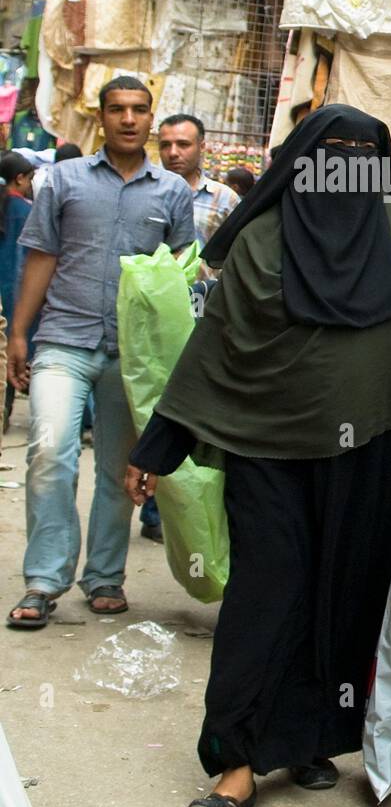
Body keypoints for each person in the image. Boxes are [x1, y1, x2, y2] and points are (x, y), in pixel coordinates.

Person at [125, 105, 391, 807]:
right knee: (266, 598)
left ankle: (310, 737)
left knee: (343, 601)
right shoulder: (261, 239)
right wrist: (157, 450)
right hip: (268, 451)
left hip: (370, 455)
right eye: (331, 152)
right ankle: (238, 759)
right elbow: (216, 351)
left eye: (360, 154)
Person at [6, 76, 195, 629]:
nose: (129, 120)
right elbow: (40, 258)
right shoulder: (63, 180)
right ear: (102, 116)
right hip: (64, 338)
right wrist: (20, 332)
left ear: (151, 118)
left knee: (120, 468)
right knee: (48, 453)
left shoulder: (172, 192)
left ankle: (104, 576)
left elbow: (178, 276)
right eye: (118, 110)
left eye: (139, 110)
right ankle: (44, 578)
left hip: (132, 356)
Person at [158, 114, 239, 249]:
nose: (172, 153)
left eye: (183, 144)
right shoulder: (145, 193)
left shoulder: (224, 200)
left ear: (201, 147)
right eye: (165, 145)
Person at [0, 152, 35, 432]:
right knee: (9, 358)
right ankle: (5, 412)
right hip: (15, 298)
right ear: (20, 178)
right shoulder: (26, 211)